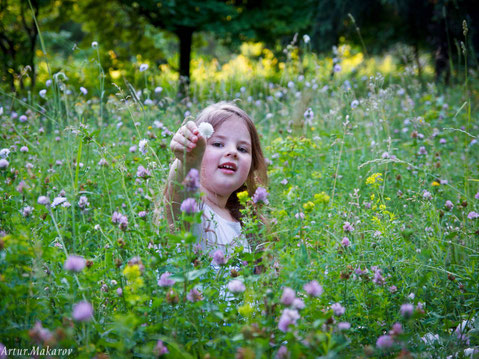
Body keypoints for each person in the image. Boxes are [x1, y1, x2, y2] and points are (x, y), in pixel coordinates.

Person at [164, 101, 268, 254]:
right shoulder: (195, 210)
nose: (232, 152)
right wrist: (188, 162)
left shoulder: (245, 222)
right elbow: (179, 189)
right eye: (218, 144)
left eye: (242, 149)